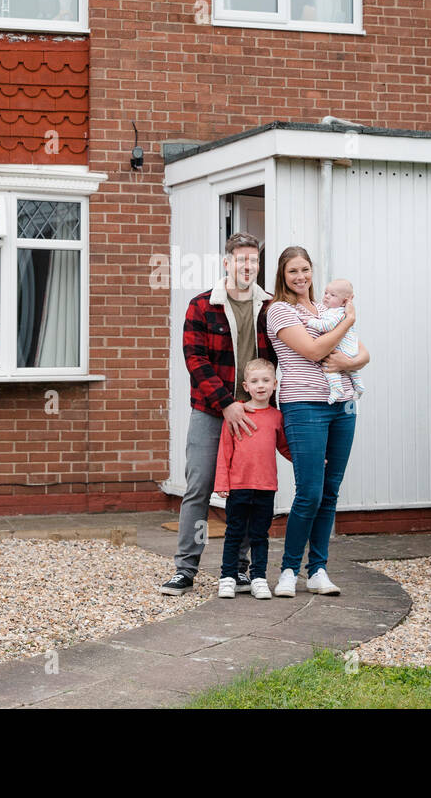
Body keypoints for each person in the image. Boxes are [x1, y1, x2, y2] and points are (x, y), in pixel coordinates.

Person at [160, 232, 276, 596]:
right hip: (211, 411)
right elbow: (195, 360)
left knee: (247, 491)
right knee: (199, 488)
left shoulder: (270, 308)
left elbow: (283, 357)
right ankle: (186, 569)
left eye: (253, 260)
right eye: (241, 260)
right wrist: (226, 403)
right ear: (226, 263)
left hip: (254, 416)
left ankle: (239, 568)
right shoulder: (201, 306)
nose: (247, 266)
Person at [265, 247, 370, 597]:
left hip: (343, 406)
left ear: (313, 271)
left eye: (305, 270)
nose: (300, 277)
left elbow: (363, 354)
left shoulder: (326, 308)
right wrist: (349, 322)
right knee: (308, 492)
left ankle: (318, 570)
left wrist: (347, 364)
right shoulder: (279, 310)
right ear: (282, 275)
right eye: (292, 271)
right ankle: (289, 570)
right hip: (304, 406)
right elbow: (311, 350)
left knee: (330, 491)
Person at [215, 359, 291, 600]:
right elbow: (224, 451)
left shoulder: (277, 417)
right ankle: (228, 577)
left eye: (266, 381)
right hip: (238, 486)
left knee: (260, 535)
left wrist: (309, 460)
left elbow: (285, 447)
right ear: (246, 386)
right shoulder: (236, 413)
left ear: (275, 384)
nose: (261, 386)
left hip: (266, 486)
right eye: (255, 381)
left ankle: (259, 578)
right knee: (234, 532)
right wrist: (222, 484)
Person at [305, 278, 364, 403]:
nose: (326, 297)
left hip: (341, 350)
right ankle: (358, 386)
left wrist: (311, 322)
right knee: (351, 370)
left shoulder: (335, 313)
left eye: (332, 295)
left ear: (344, 301)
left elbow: (327, 326)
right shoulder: (342, 313)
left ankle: (337, 388)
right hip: (350, 350)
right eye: (326, 293)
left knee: (329, 367)